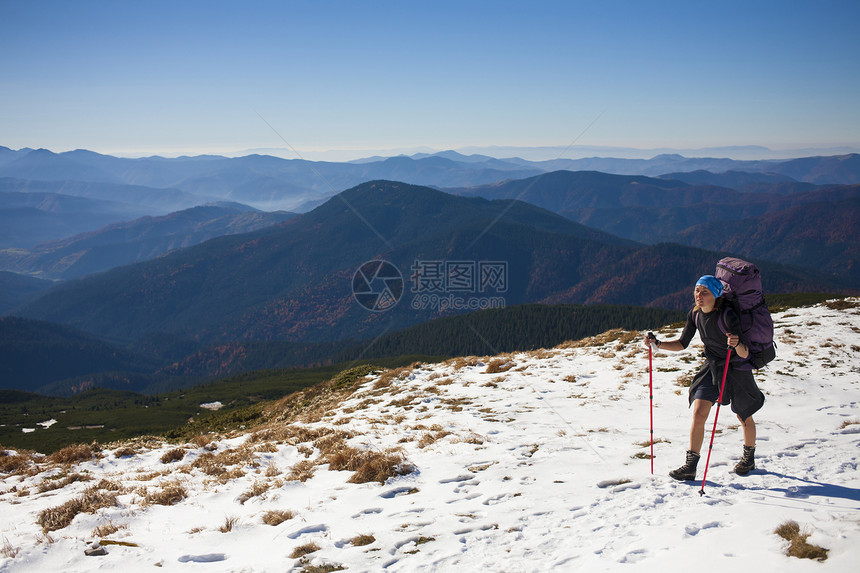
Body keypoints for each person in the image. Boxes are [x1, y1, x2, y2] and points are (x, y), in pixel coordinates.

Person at [645, 275, 765, 480]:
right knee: (699, 412)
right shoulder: (695, 314)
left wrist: (736, 344)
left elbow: (745, 353)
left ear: (716, 295)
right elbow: (683, 343)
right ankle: (690, 466)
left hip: (736, 367)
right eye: (697, 291)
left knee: (743, 415)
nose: (699, 296)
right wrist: (658, 344)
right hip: (712, 366)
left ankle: (749, 457)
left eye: (705, 292)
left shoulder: (727, 315)